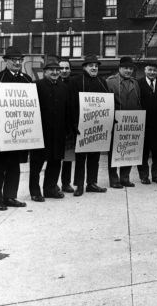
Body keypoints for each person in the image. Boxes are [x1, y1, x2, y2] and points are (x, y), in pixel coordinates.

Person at [0, 46, 33, 211]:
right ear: (6, 61)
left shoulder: (27, 80)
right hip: (1, 131)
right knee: (0, 166)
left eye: (20, 60)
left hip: (20, 131)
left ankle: (10, 196)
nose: (17, 63)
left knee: (15, 165)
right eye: (14, 60)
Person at [29, 60, 71, 202]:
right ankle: (35, 191)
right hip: (40, 132)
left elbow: (67, 109)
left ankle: (50, 188)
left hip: (58, 132)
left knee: (55, 162)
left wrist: (68, 128)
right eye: (51, 70)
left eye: (57, 70)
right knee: (37, 163)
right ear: (45, 72)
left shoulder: (64, 87)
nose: (55, 72)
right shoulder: (36, 86)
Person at [69, 54, 109, 197]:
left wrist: (110, 119)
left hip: (97, 126)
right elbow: (72, 104)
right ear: (84, 67)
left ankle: (91, 183)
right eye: (91, 65)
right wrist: (74, 123)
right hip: (81, 125)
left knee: (95, 157)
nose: (94, 68)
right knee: (80, 158)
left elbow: (108, 102)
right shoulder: (76, 81)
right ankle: (79, 185)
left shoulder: (102, 82)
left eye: (96, 66)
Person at [106, 57, 141, 189]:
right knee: (114, 151)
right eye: (125, 68)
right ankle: (113, 179)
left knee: (129, 150)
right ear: (119, 68)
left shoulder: (135, 83)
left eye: (130, 68)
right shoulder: (110, 82)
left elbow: (138, 102)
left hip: (131, 123)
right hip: (115, 122)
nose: (128, 71)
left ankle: (125, 177)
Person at [58, 58, 75, 193]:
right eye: (61, 68)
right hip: (56, 127)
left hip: (69, 127)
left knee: (68, 158)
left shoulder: (73, 84)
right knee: (55, 158)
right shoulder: (53, 83)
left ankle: (66, 183)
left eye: (66, 68)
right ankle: (52, 183)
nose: (64, 71)